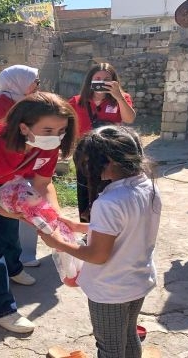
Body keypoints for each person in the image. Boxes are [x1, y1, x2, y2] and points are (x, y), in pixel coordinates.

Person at [0, 92, 77, 333]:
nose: (56, 137)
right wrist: (12, 213)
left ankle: (13, 268)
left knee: (9, 235)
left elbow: (43, 184)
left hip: (8, 185)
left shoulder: (47, 147)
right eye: (48, 130)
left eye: (62, 130)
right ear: (23, 127)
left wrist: (55, 215)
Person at [39, 126, 160, 358]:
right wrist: (80, 227)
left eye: (88, 164)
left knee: (109, 349)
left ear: (110, 161)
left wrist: (56, 241)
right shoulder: (147, 186)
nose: (87, 172)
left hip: (111, 289)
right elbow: (126, 229)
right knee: (128, 336)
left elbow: (97, 255)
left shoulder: (110, 201)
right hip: (138, 280)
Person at [0, 64, 41, 267]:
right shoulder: (2, 103)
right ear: (19, 81)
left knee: (24, 211)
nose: (37, 85)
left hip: (20, 163)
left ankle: (21, 258)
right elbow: (0, 136)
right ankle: (17, 261)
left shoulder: (17, 99)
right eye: (34, 81)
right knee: (16, 213)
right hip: (8, 168)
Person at [68, 63, 136, 222]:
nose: (102, 81)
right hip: (84, 151)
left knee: (108, 188)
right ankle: (87, 227)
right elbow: (66, 122)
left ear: (114, 81)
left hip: (110, 152)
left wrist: (118, 97)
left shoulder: (122, 98)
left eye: (107, 79)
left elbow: (129, 119)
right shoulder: (77, 101)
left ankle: (108, 225)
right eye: (98, 78)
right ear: (90, 80)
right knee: (85, 189)